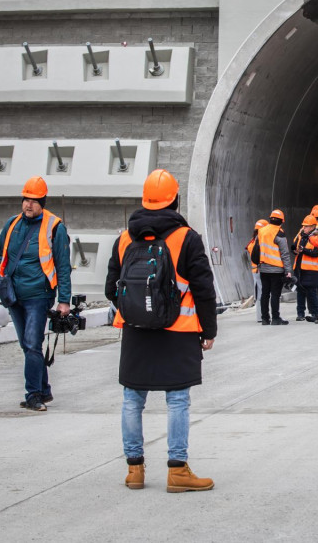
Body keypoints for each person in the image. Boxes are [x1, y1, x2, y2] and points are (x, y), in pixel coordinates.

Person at [105, 168, 217, 492]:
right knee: (178, 399)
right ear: (175, 201)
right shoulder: (186, 238)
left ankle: (134, 470)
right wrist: (208, 330)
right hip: (179, 330)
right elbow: (204, 289)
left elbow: (111, 287)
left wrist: (136, 310)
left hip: (136, 330)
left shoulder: (125, 239)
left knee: (132, 399)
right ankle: (177, 471)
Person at [0, 176, 72, 412]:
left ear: (43, 202)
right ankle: (44, 389)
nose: (28, 205)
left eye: (34, 201)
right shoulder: (12, 224)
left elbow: (63, 265)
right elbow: (1, 254)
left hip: (38, 295)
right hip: (14, 296)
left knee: (32, 344)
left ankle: (33, 395)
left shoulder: (55, 227)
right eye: (26, 200)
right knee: (28, 345)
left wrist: (64, 300)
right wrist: (2, 279)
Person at [255, 209, 293, 325]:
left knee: (264, 293)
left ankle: (265, 319)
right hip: (277, 269)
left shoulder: (261, 231)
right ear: (282, 221)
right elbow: (284, 253)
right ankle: (276, 318)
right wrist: (288, 271)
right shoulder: (279, 233)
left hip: (264, 268)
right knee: (275, 294)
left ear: (270, 219)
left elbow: (257, 249)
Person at [293, 215, 318, 322]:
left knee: (311, 291)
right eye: (303, 226)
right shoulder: (301, 235)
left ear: (313, 226)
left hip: (311, 269)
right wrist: (295, 250)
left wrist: (303, 250)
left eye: (306, 226)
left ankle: (315, 313)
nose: (304, 228)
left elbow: (315, 253)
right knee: (300, 290)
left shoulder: (317, 236)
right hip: (300, 268)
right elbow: (294, 245)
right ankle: (300, 313)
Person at [246, 219, 268, 323]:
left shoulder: (253, 241)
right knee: (265, 293)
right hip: (261, 270)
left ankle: (261, 316)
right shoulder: (261, 241)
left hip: (256, 271)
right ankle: (264, 315)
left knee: (260, 294)